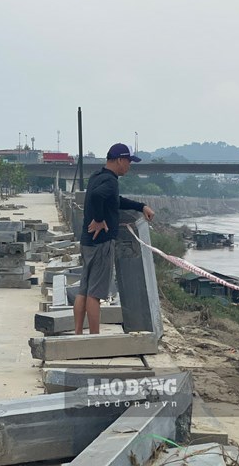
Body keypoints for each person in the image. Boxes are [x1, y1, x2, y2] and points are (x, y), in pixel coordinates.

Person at [74, 143, 155, 335]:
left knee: (83, 291)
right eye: (128, 161)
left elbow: (114, 200)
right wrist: (100, 220)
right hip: (101, 243)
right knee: (95, 294)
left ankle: (77, 333)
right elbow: (96, 197)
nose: (129, 166)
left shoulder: (97, 176)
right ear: (119, 160)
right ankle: (94, 339)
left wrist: (140, 206)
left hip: (87, 242)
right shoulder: (111, 182)